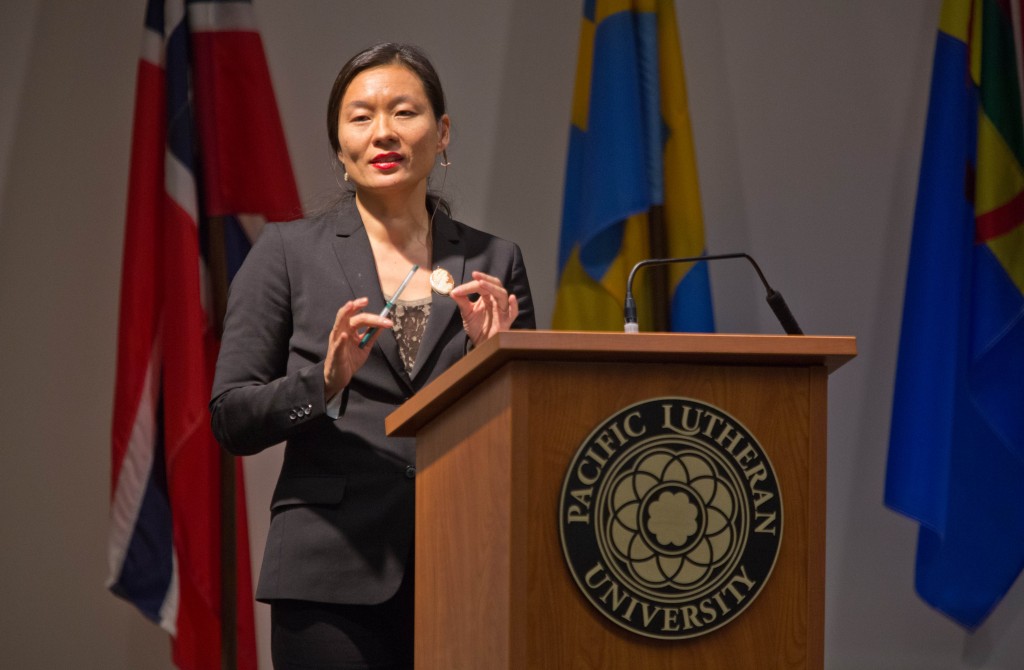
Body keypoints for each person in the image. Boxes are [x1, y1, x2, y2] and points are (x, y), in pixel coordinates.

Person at [209, 42, 535, 670]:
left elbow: (527, 437)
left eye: (404, 112)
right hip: (329, 574)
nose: (382, 131)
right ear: (339, 145)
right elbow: (231, 417)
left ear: (441, 133)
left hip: (467, 564)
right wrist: (323, 382)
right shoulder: (284, 254)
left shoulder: (497, 262)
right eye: (360, 117)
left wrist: (494, 360)